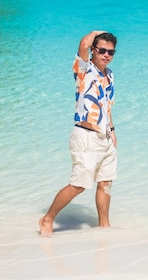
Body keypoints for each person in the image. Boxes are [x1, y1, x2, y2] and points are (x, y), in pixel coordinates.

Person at [39, 30, 118, 236]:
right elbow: (83, 44)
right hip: (85, 136)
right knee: (79, 185)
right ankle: (47, 219)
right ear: (93, 50)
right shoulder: (84, 69)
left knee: (105, 183)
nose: (106, 55)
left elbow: (106, 106)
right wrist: (96, 32)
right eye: (101, 50)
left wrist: (111, 130)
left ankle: (104, 226)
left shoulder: (109, 75)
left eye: (110, 51)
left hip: (105, 138)